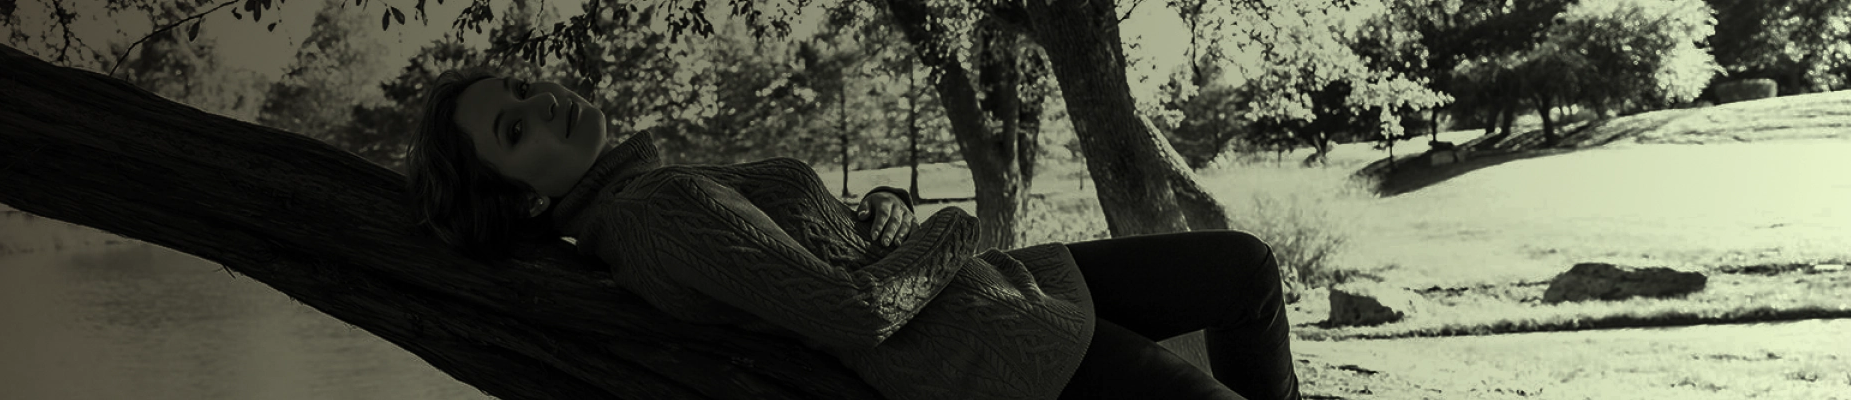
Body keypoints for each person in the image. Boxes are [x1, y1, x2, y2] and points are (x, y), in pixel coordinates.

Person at [404, 69, 1300, 400]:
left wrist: (884, 211)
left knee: (1244, 273)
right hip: (988, 352)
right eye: (513, 132)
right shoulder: (652, 213)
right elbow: (855, 310)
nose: (539, 104)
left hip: (992, 298)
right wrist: (951, 223)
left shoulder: (647, 191)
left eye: (518, 90)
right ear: (520, 200)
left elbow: (820, 256)